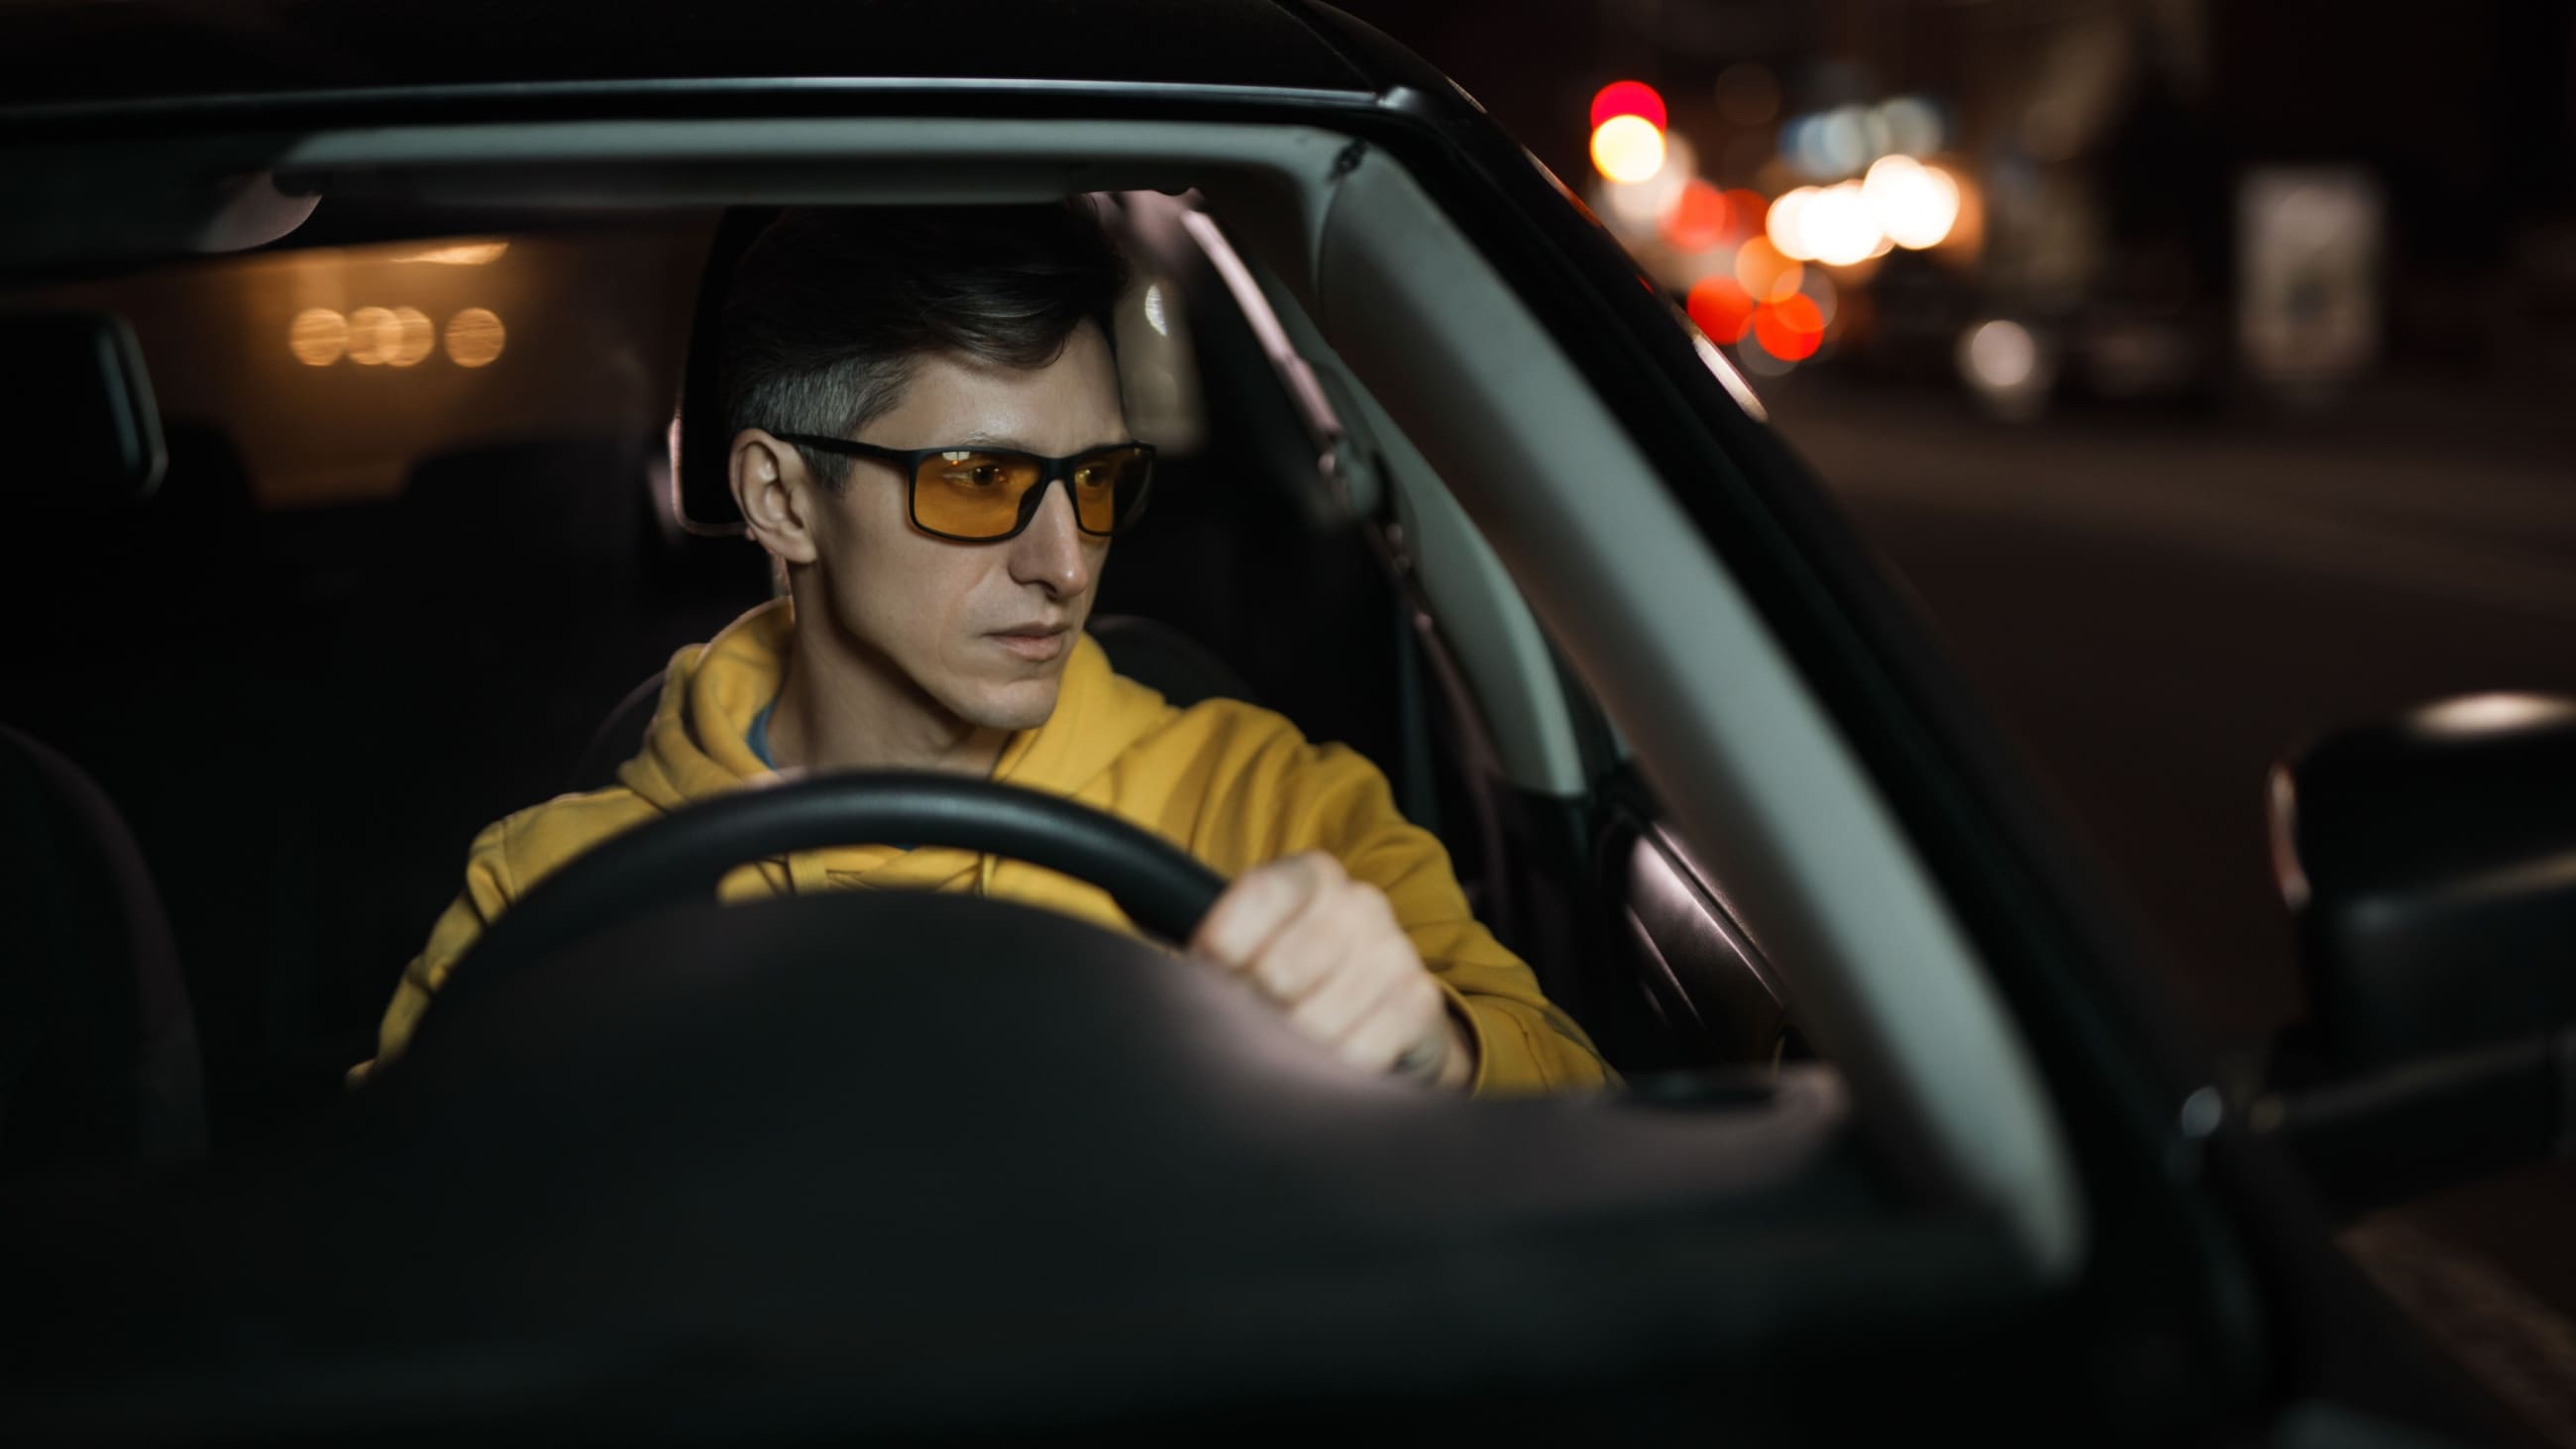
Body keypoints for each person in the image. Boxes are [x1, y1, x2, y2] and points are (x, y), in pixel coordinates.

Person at [357, 201, 1608, 1093]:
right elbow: (367, 1262)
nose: (1064, 561)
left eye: (1097, 480)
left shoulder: (1259, 802)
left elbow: (1583, 1104)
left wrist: (1429, 1046)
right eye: (975, 480)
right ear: (782, 500)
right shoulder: (558, 896)